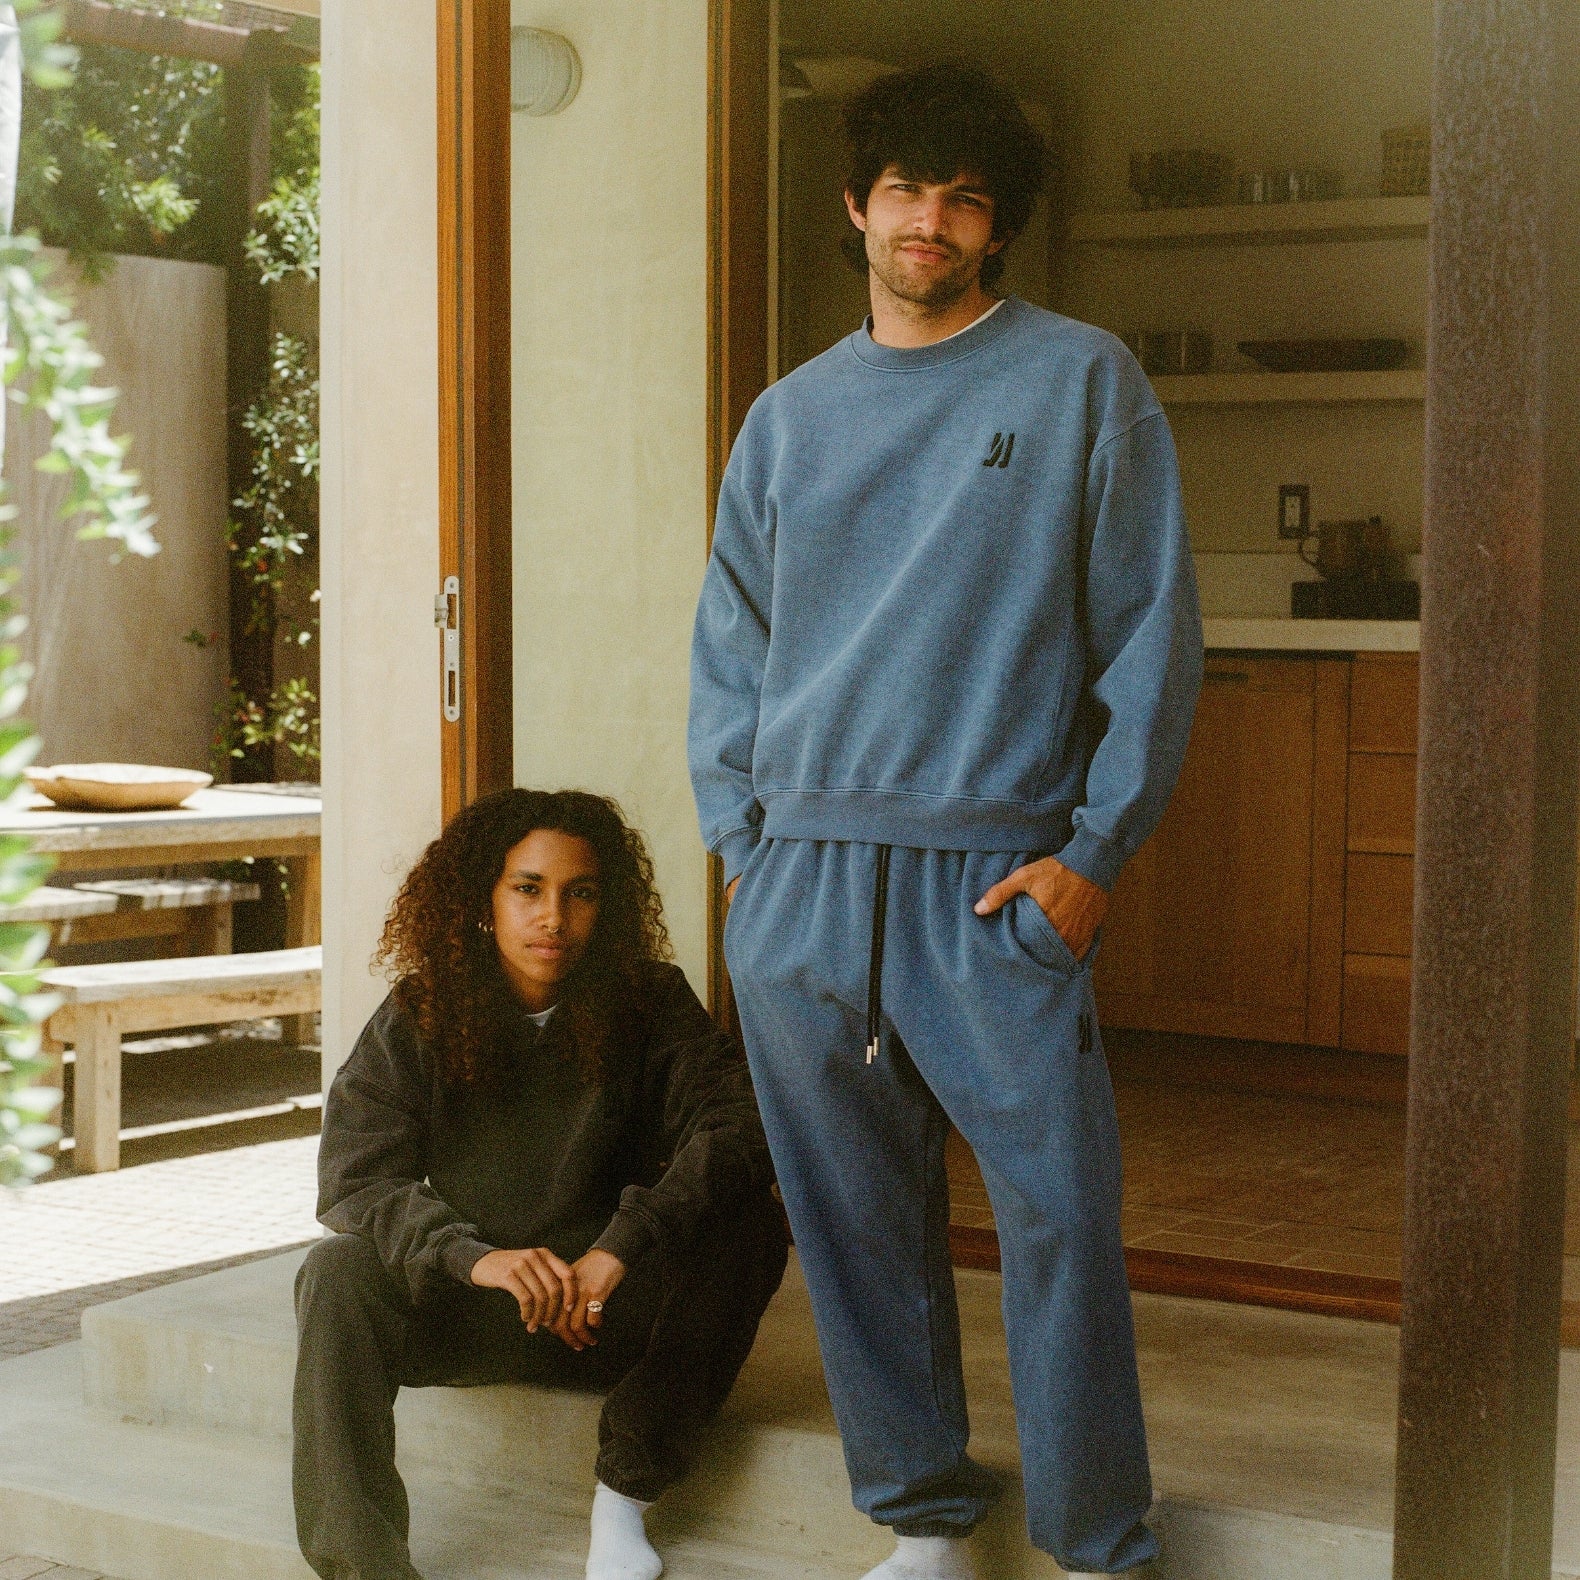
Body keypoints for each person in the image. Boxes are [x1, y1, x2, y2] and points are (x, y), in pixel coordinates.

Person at [689, 61, 1202, 1580]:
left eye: (964, 197)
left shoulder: (1080, 380)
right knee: (851, 1222)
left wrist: (1093, 854)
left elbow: (1152, 632)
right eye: (905, 190)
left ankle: (1098, 1538)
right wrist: (748, 855)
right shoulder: (788, 419)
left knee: (1059, 1213)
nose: (930, 219)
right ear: (856, 206)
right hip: (804, 880)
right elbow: (730, 648)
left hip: (997, 879)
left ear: (996, 228)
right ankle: (918, 1518)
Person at [292, 788, 788, 1580]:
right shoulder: (423, 1011)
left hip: (603, 1312)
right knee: (336, 1271)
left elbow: (739, 1123)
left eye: (579, 893)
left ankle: (622, 1500)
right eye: (528, 889)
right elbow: (354, 1177)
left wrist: (620, 1247)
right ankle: (365, 1569)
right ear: (484, 900)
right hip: (475, 1308)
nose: (553, 916)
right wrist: (471, 1256)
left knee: (751, 1227)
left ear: (606, 905)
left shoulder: (650, 1001)